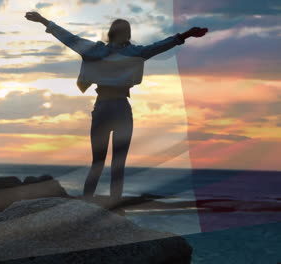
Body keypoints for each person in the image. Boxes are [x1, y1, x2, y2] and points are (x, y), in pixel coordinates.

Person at [25, 11, 208, 202]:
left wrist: (43, 20)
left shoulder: (95, 50)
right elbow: (161, 45)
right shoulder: (135, 52)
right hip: (121, 107)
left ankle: (86, 204)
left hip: (102, 107)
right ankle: (114, 206)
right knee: (118, 164)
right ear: (127, 35)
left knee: (97, 162)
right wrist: (186, 34)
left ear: (110, 34)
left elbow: (69, 38)